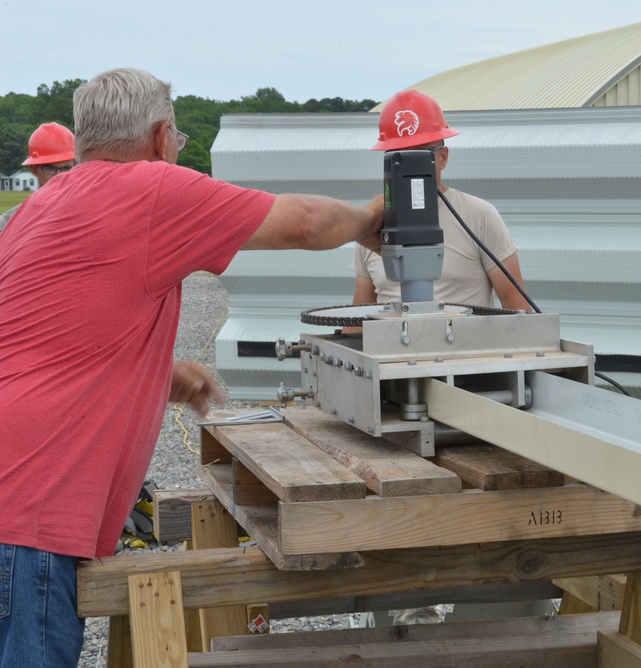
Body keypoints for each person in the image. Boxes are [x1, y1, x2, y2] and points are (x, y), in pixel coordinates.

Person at [0, 67, 382, 667]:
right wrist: (373, 219)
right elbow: (305, 222)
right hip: (29, 520)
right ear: (159, 138)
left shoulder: (39, 209)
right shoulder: (152, 188)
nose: (178, 150)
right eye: (177, 139)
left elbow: (40, 338)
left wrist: (156, 370)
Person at [352, 90, 532, 311]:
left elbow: (519, 311)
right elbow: (357, 321)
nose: (409, 167)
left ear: (443, 157)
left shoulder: (479, 217)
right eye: (399, 155)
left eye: (419, 156)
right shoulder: (374, 225)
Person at [0, 122, 76, 232]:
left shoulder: (88, 215)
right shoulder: (8, 225)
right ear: (34, 169)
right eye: (50, 168)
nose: (59, 176)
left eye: (66, 168)